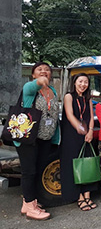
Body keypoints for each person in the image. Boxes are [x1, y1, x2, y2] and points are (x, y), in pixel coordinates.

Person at [15, 62, 58, 220]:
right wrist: (40, 81)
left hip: (45, 139)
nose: (44, 72)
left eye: (47, 70)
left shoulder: (52, 90)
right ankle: (30, 206)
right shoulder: (29, 88)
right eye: (40, 70)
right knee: (29, 172)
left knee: (37, 171)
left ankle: (29, 203)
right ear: (33, 74)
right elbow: (37, 84)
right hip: (28, 138)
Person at [60, 73, 97, 211]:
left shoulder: (88, 98)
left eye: (86, 82)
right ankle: (79, 197)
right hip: (72, 135)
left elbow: (91, 116)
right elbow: (69, 115)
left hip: (87, 134)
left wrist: (90, 131)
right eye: (80, 81)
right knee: (75, 164)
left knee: (87, 163)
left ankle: (87, 195)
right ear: (75, 82)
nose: (83, 84)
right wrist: (81, 128)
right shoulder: (69, 96)